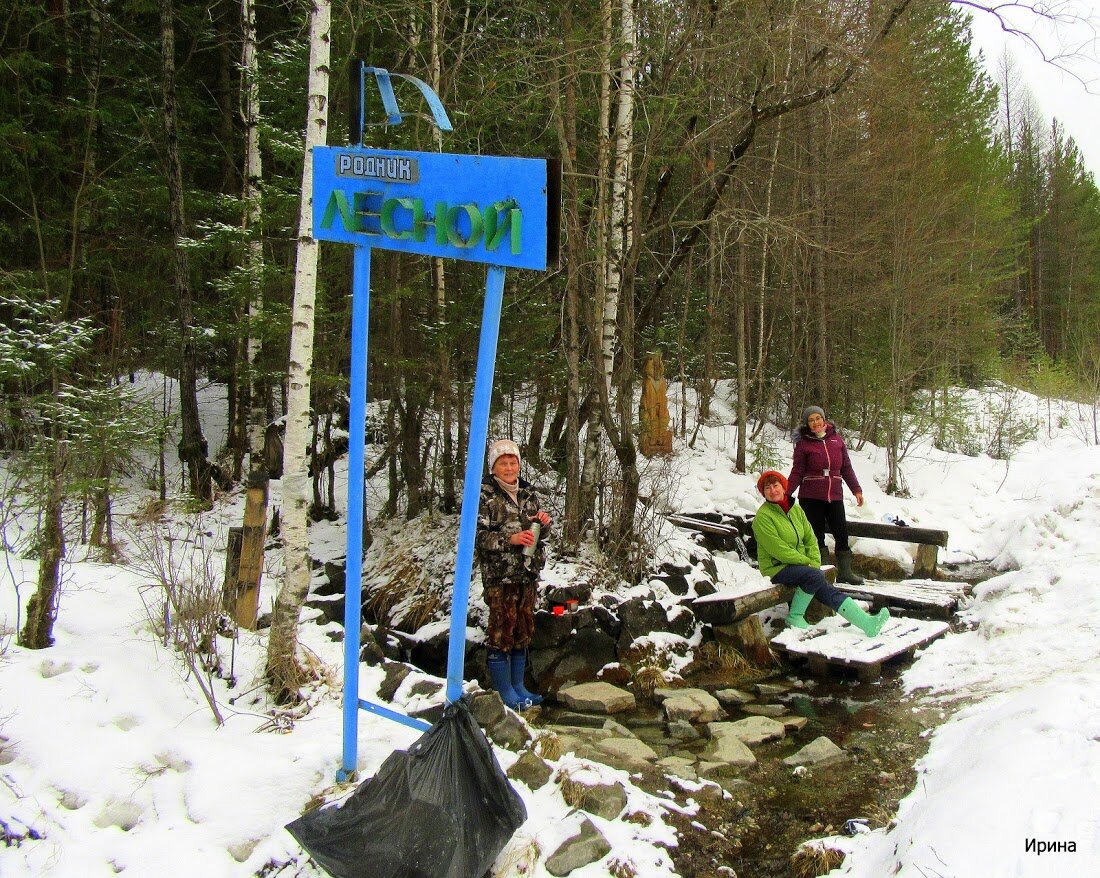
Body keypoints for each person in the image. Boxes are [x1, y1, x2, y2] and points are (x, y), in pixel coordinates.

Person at [752, 470, 889, 636]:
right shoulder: (763, 517)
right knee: (814, 576)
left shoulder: (795, 510)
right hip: (777, 568)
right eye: (768, 488)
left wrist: (814, 561)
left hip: (801, 566)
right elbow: (778, 549)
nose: (773, 491)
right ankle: (795, 617)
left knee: (825, 588)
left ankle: (866, 623)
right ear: (763, 493)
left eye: (776, 486)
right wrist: (806, 562)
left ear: (783, 487)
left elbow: (810, 537)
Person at [475, 439, 552, 710]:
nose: (509, 467)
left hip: (527, 574)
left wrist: (545, 525)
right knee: (501, 631)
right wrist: (512, 538)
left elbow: (539, 536)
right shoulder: (484, 494)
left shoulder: (529, 494)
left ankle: (519, 686)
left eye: (513, 462)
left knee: (523, 630)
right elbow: (478, 537)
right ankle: (504, 691)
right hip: (500, 576)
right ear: (494, 467)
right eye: (503, 462)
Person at [788, 405, 865, 585]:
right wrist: (786, 493)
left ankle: (845, 572)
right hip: (811, 496)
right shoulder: (803, 444)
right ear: (807, 424)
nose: (815, 423)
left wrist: (857, 490)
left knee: (841, 532)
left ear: (823, 419)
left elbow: (846, 468)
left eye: (817, 418)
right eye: (811, 420)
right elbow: (797, 472)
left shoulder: (836, 441)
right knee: (816, 535)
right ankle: (823, 573)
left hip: (835, 495)